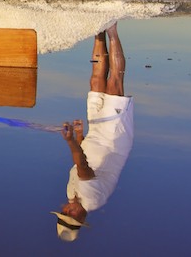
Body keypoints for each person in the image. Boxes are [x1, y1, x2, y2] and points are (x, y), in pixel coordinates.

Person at [51, 23, 134, 242]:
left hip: (96, 133)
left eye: (64, 212)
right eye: (71, 215)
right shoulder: (92, 200)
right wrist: (70, 141)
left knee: (96, 81)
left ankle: (98, 29)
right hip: (114, 138)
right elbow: (83, 166)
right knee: (114, 83)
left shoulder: (71, 194)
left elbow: (86, 155)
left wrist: (79, 136)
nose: (68, 209)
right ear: (81, 217)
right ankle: (113, 29)